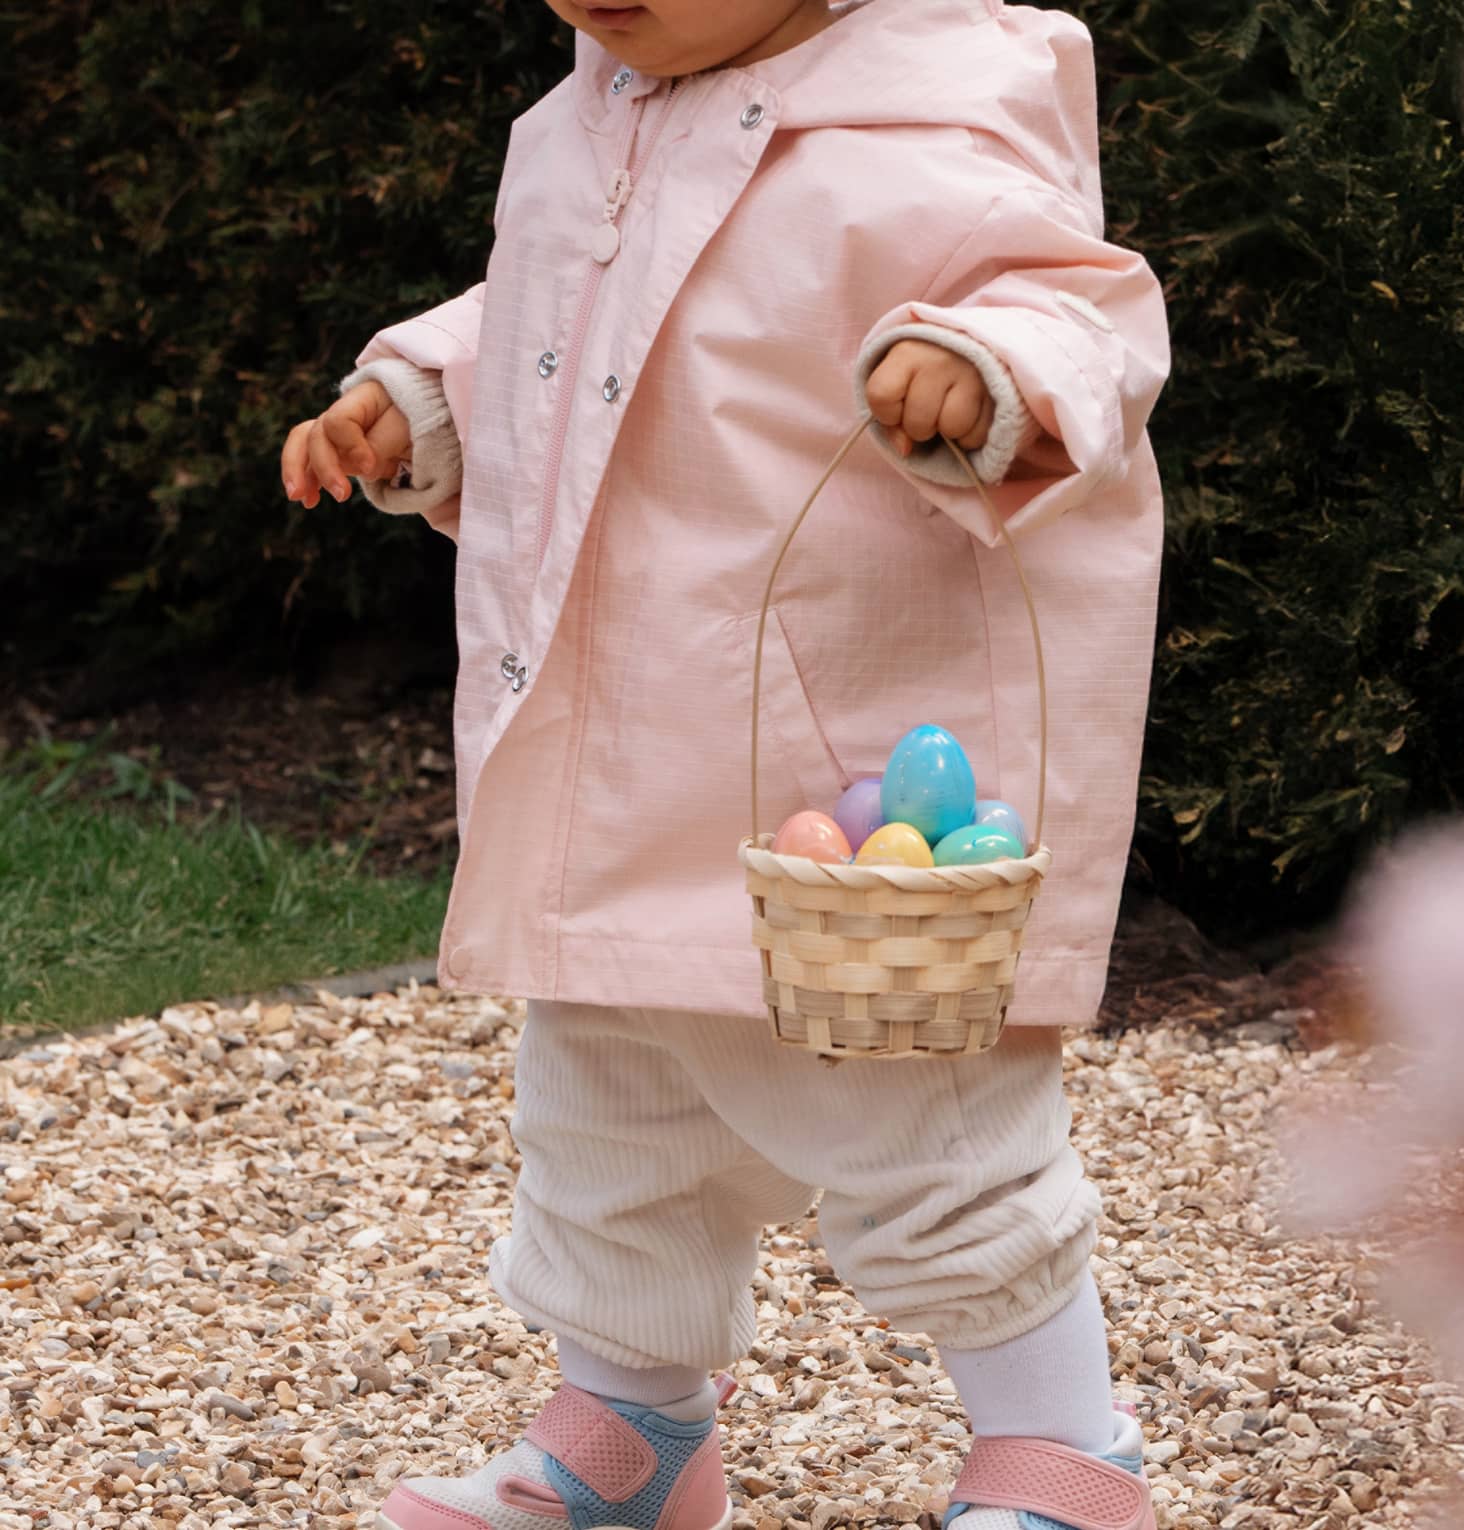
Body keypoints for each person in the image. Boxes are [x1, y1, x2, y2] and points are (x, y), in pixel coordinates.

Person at [280, 2, 1170, 1527]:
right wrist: (429, 396)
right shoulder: (584, 126)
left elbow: (1084, 308)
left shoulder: (936, 111)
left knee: (926, 1116)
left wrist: (987, 363)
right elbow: (565, 327)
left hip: (825, 764)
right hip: (622, 736)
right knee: (611, 1117)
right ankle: (631, 1436)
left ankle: (1065, 1446)